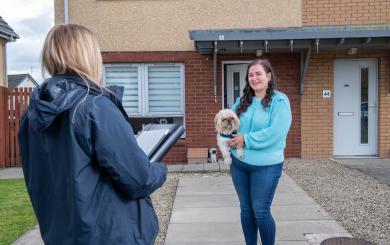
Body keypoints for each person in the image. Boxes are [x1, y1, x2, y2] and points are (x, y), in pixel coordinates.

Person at [18, 24, 167, 245]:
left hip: (62, 234)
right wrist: (160, 169)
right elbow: (139, 179)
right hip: (109, 236)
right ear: (88, 56)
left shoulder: (31, 114)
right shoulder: (94, 106)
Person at [229, 59, 292, 245]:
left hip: (266, 166)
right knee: (246, 210)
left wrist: (245, 139)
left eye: (258, 74)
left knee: (261, 211)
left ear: (269, 76)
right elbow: (229, 122)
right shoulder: (242, 101)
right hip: (239, 164)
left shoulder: (279, 101)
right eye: (251, 75)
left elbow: (276, 132)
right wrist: (226, 133)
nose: (254, 78)